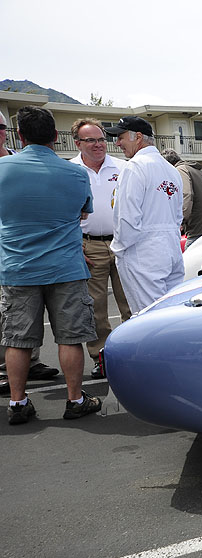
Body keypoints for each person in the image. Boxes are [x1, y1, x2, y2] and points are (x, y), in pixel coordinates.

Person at [0, 106, 101, 423]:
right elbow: (83, 213)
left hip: (17, 267)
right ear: (56, 137)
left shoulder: (2, 169)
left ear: (20, 135)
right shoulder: (75, 173)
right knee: (70, 337)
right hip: (65, 266)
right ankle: (75, 400)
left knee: (17, 340)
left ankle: (18, 403)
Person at [0, 111, 60, 394]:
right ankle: (5, 372)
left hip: (25, 253)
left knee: (23, 315)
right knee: (10, 316)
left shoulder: (16, 157)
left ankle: (30, 362)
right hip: (11, 249)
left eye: (1, 127)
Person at [69, 118, 131, 379]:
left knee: (131, 301)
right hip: (89, 244)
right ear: (77, 143)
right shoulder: (70, 171)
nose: (98, 145)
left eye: (101, 139)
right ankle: (101, 356)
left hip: (123, 243)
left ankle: (134, 351)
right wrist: (75, 246)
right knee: (95, 307)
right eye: (91, 140)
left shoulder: (124, 167)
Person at [105, 116, 185, 312]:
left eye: (121, 137)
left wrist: (119, 250)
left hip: (143, 253)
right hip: (171, 249)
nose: (117, 143)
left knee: (149, 318)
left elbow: (127, 218)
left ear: (138, 137)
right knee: (173, 312)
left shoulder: (135, 167)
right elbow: (177, 216)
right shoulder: (171, 170)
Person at [161, 149, 202, 247]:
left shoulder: (180, 170)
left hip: (199, 229)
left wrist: (179, 220)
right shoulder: (198, 172)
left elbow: (186, 194)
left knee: (188, 259)